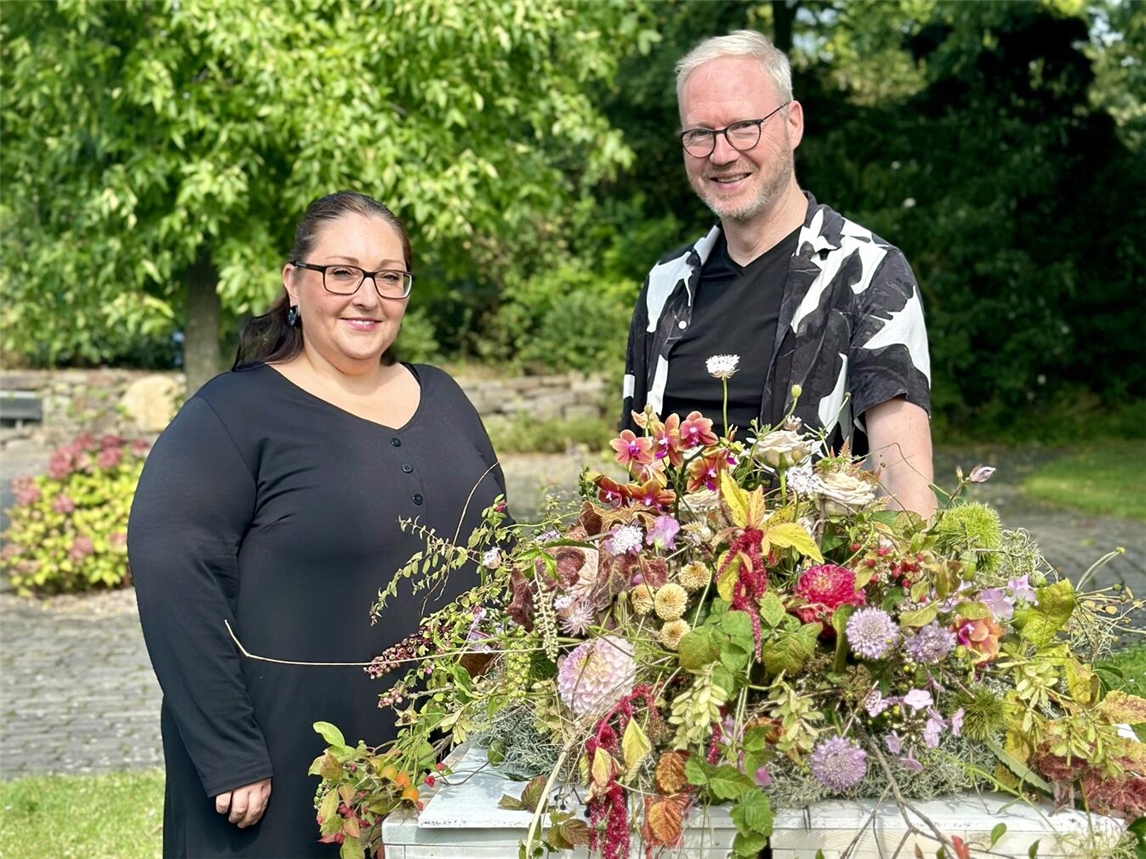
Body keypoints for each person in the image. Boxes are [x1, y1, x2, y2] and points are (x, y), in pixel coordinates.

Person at [128, 191, 507, 857]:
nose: (368, 295)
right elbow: (171, 570)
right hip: (279, 773)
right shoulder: (233, 414)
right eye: (343, 272)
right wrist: (228, 748)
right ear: (293, 282)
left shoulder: (445, 398)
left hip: (442, 762)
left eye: (390, 276)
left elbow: (499, 551)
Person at [621, 30, 936, 517]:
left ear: (792, 124)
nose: (722, 154)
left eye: (744, 126)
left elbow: (902, 481)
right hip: (672, 589)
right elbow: (637, 473)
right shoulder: (665, 286)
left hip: (815, 584)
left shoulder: (866, 273)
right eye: (700, 134)